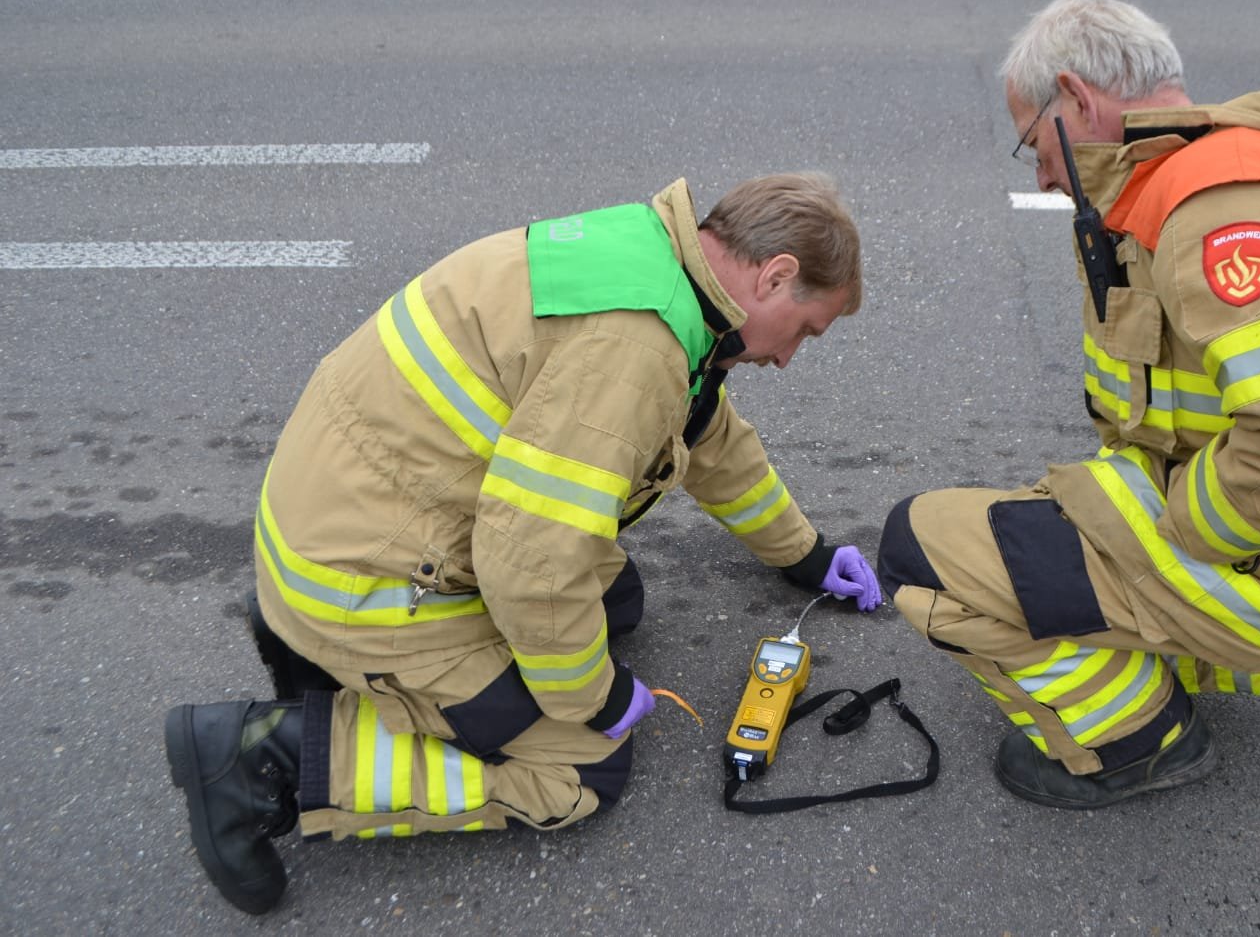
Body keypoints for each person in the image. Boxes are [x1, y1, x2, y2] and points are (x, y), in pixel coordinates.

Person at [164, 173, 883, 914]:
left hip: (348, 518)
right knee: (580, 771)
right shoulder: (632, 348)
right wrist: (596, 697)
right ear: (775, 275)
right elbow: (534, 569)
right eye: (805, 330)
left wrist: (806, 554)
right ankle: (263, 756)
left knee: (614, 601)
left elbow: (704, 435)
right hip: (367, 580)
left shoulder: (657, 263)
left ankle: (329, 658)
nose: (789, 357)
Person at [878, 0, 1260, 809]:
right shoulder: (1177, 184)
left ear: (1075, 98)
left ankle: (1136, 745)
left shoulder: (1215, 206)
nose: (1036, 176)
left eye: (1030, 143)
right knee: (1036, 540)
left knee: (920, 549)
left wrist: (1186, 534)